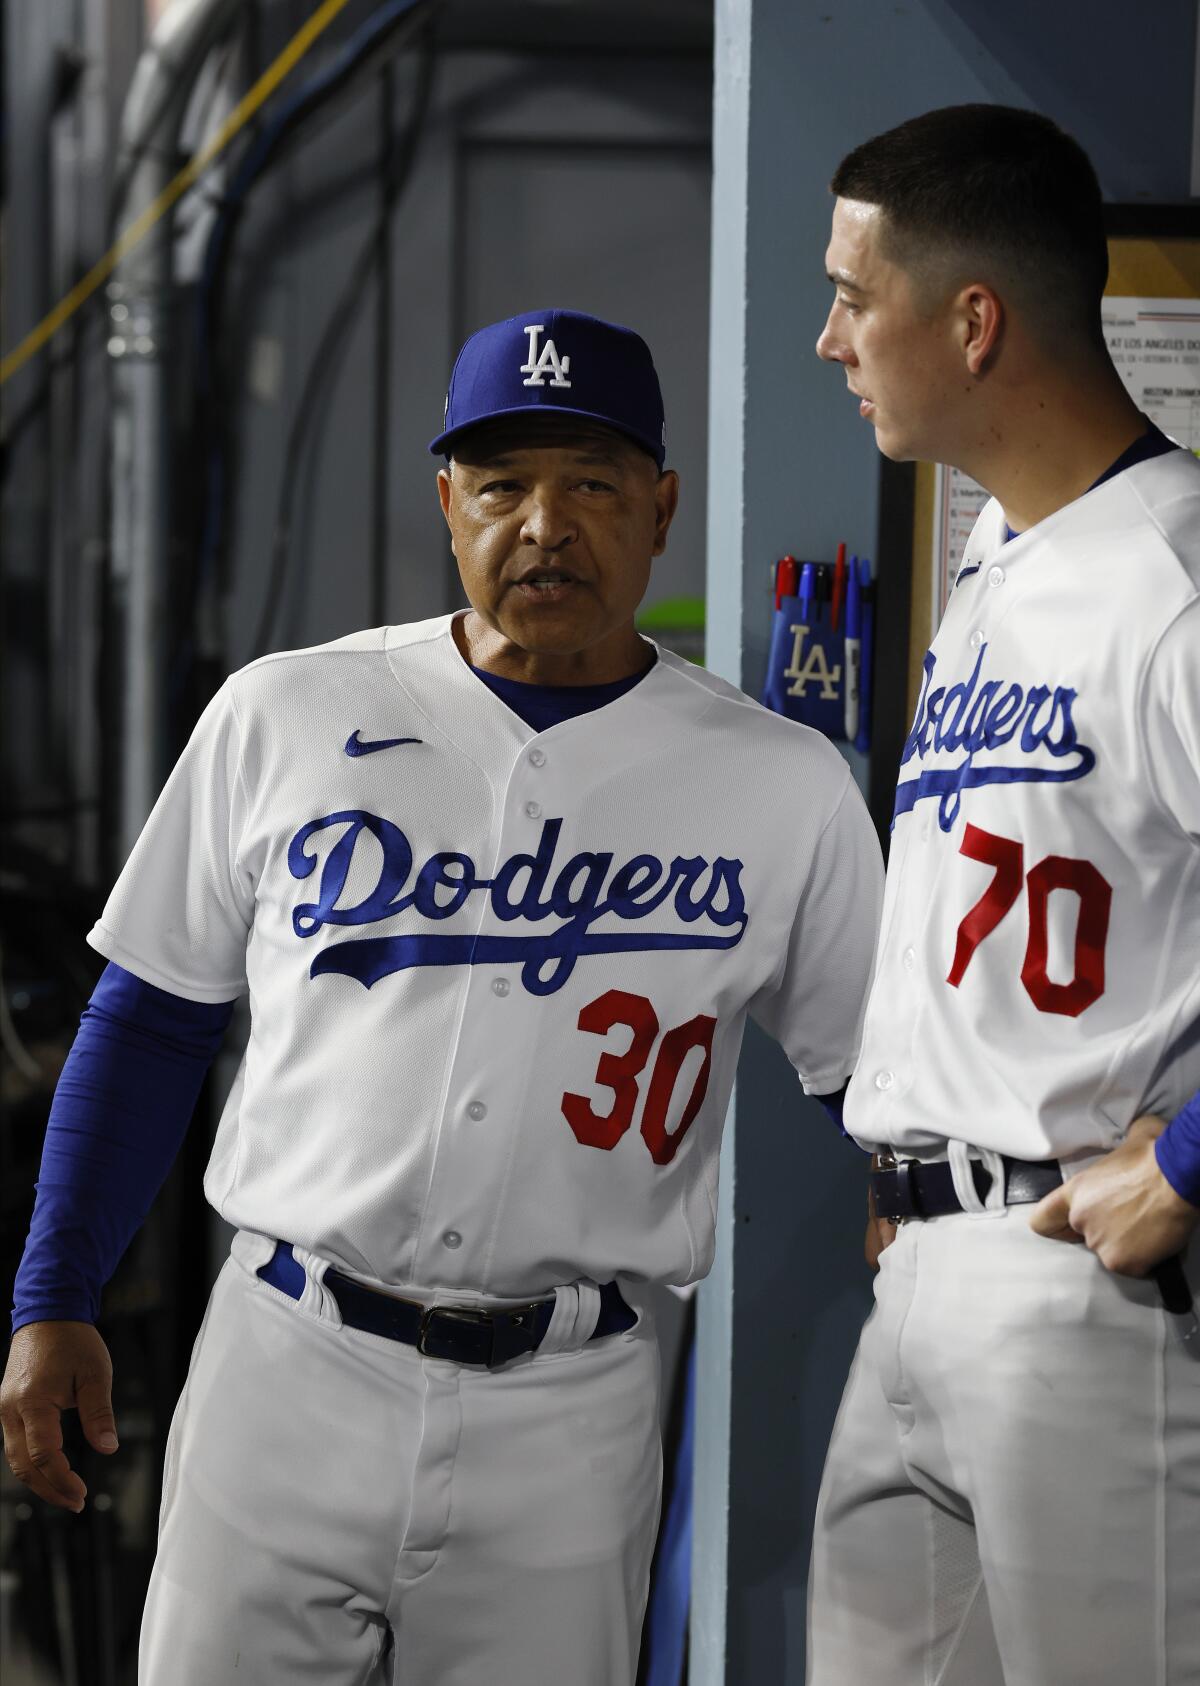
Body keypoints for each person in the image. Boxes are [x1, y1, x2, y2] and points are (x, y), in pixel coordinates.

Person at [2, 307, 884, 1685]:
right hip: (290, 1363)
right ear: (446, 504)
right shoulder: (285, 710)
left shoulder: (781, 783)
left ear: (661, 508)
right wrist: (52, 1288)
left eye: (591, 482)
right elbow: (153, 1015)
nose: (546, 523)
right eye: (503, 485)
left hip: (573, 1405)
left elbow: (880, 1092)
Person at [808, 105, 1200, 1686]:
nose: (830, 335)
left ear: (973, 321)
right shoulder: (997, 557)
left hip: (1083, 1278)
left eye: (854, 293)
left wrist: (1188, 1156)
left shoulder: (1172, 569)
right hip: (926, 1269)